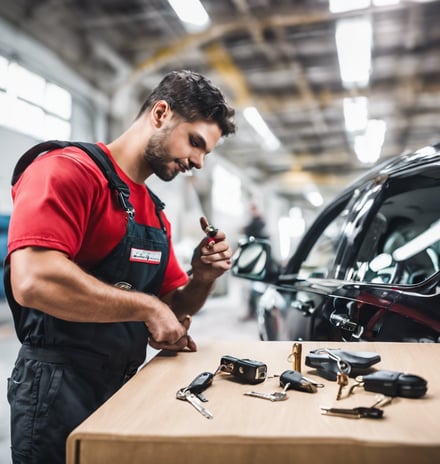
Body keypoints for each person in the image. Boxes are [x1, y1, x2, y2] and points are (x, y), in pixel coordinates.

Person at [4, 70, 236, 464]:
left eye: (205, 154)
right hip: (56, 388)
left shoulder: (154, 213)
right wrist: (147, 307)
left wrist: (203, 277)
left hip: (123, 382)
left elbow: (172, 310)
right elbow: (33, 280)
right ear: (160, 113)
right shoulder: (67, 171)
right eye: (195, 143)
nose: (197, 161)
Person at [240, 202, 269, 321]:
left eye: (253, 209)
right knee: (253, 288)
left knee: (256, 288)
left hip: (257, 259)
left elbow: (251, 232)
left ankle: (255, 311)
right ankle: (253, 311)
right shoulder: (256, 222)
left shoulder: (259, 223)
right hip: (254, 258)